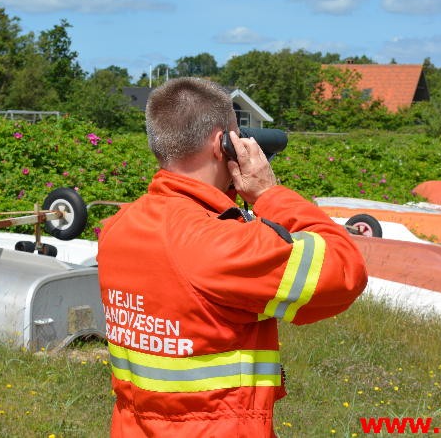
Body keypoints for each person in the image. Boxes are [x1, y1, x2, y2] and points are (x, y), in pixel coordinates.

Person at [97, 77, 367, 437]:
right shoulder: (220, 245)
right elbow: (345, 270)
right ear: (221, 144)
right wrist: (270, 195)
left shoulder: (118, 229)